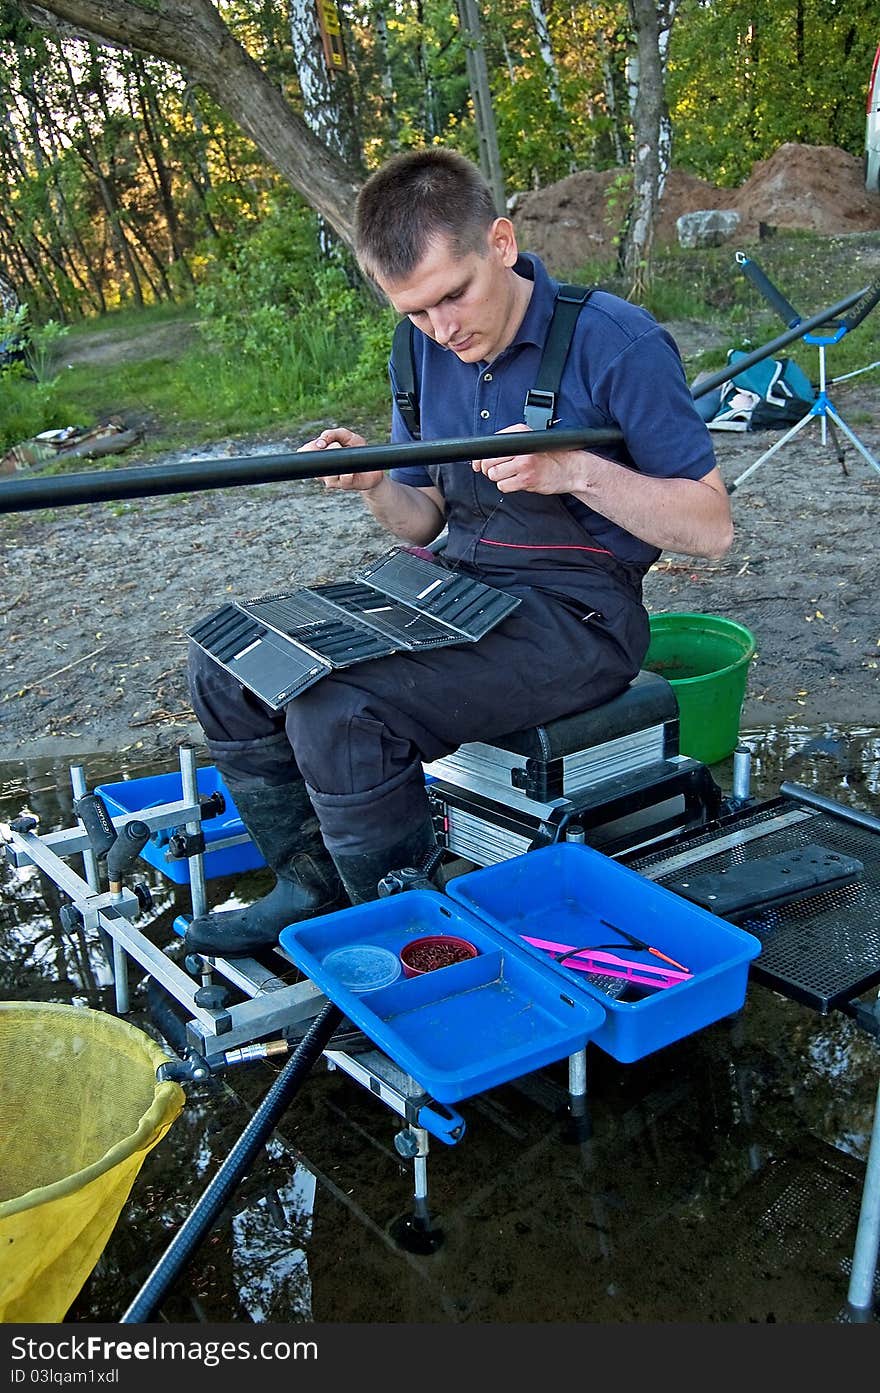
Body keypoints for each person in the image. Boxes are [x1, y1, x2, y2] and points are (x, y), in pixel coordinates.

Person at [183, 147, 733, 957]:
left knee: (340, 710)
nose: (442, 329)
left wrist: (573, 469)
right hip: (454, 584)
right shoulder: (418, 352)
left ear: (501, 245)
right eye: (415, 312)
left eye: (453, 296)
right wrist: (375, 480)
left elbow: (711, 527)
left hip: (579, 617)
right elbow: (421, 521)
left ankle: (411, 941)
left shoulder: (617, 340)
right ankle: (311, 883)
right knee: (225, 658)